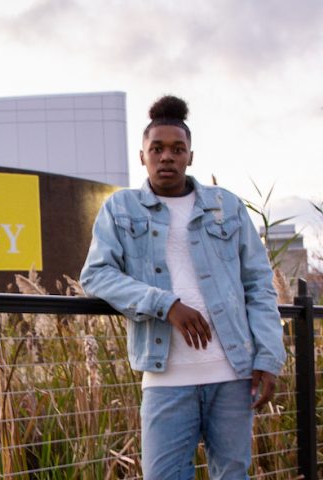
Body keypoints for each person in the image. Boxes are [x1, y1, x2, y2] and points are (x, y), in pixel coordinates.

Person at [80, 95, 286, 479]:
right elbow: (96, 274)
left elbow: (258, 283)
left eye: (177, 149)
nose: (167, 157)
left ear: (190, 155)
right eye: (156, 149)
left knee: (233, 474)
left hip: (232, 374)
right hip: (166, 377)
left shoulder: (226, 206)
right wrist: (165, 304)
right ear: (142, 156)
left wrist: (268, 358)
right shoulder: (120, 209)